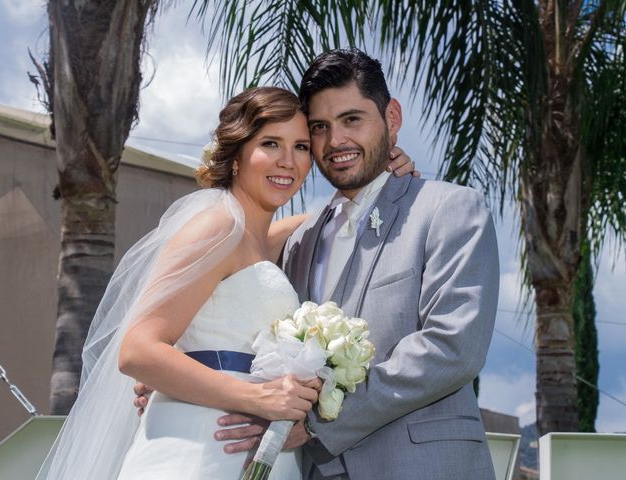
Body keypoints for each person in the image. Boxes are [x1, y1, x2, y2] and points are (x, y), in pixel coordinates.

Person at [37, 86, 415, 480]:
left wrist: (381, 180)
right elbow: (137, 351)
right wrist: (258, 396)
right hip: (199, 448)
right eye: (271, 144)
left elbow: (335, 217)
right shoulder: (218, 227)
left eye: (301, 147)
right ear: (236, 156)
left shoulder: (261, 237)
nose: (288, 162)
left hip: (247, 451)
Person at [207, 49, 500, 479]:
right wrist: (184, 381)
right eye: (320, 128)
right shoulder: (299, 240)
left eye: (352, 120)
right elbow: (245, 324)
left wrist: (317, 421)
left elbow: (452, 348)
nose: (336, 141)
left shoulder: (449, 209)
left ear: (392, 118)